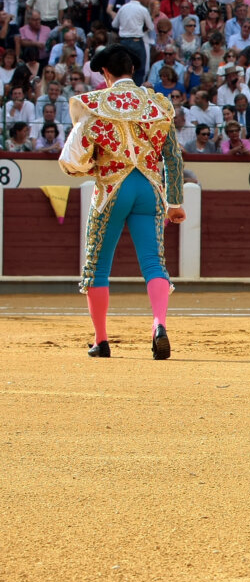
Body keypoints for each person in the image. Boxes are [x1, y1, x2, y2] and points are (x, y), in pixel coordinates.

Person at [57, 45, 186, 361]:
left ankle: (101, 341)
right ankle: (158, 324)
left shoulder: (96, 105)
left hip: (112, 189)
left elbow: (71, 158)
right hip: (149, 189)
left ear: (105, 73)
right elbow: (173, 156)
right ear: (133, 70)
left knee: (97, 267)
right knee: (153, 263)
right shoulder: (157, 104)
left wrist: (92, 167)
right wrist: (174, 202)